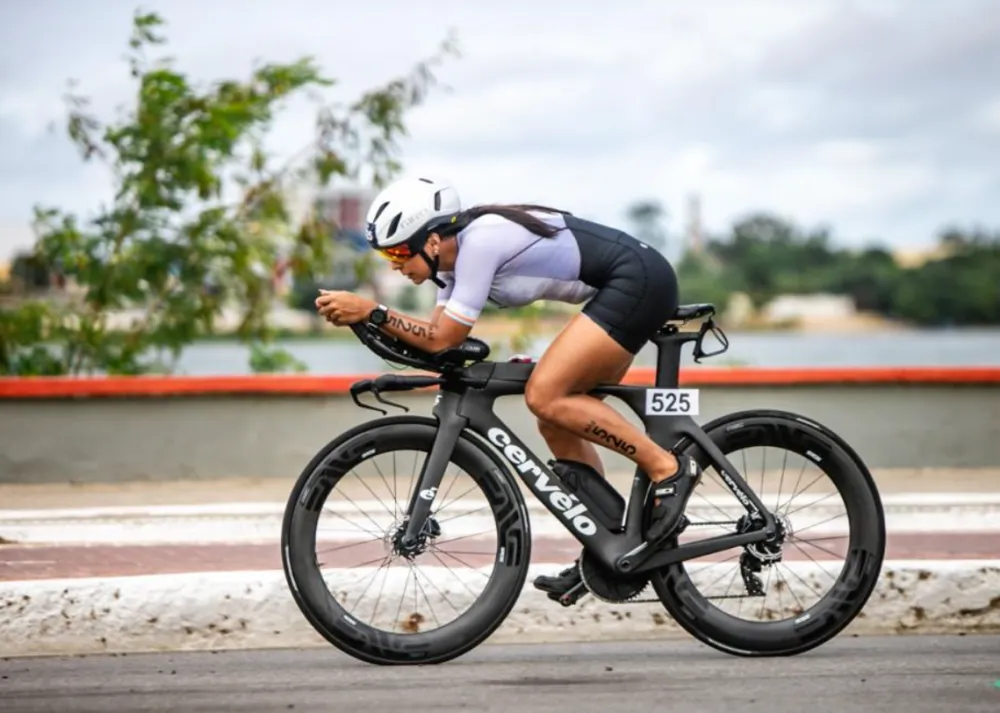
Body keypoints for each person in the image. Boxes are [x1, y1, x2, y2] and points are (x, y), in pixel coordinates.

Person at [315, 175, 703, 603]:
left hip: (637, 280)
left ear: (432, 240)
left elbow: (442, 337)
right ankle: (611, 542)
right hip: (627, 285)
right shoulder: (450, 271)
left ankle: (667, 468)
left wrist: (373, 310)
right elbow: (440, 341)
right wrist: (370, 321)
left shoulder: (478, 244)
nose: (394, 265)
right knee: (555, 419)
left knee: (545, 394)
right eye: (386, 256)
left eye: (398, 252)